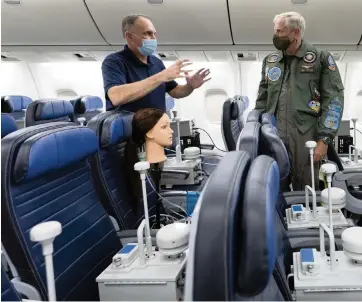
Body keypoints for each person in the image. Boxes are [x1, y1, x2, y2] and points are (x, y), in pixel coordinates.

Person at [255, 11, 344, 191]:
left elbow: (334, 100)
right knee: (274, 189)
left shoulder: (320, 58)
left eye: (280, 31)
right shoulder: (270, 61)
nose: (276, 36)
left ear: (295, 33)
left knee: (308, 189)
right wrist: (258, 131)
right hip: (274, 134)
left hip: (306, 136)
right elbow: (262, 99)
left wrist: (324, 140)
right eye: (275, 31)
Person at [102, 14, 211, 112]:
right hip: (129, 131)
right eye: (147, 33)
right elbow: (116, 97)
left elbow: (175, 91)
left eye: (154, 34)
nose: (154, 38)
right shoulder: (114, 61)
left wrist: (190, 86)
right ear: (129, 37)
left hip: (156, 130)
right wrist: (161, 76)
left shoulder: (156, 62)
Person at [125, 108, 174, 212]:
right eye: (164, 127)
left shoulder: (156, 163)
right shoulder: (145, 171)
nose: (172, 131)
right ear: (149, 133)